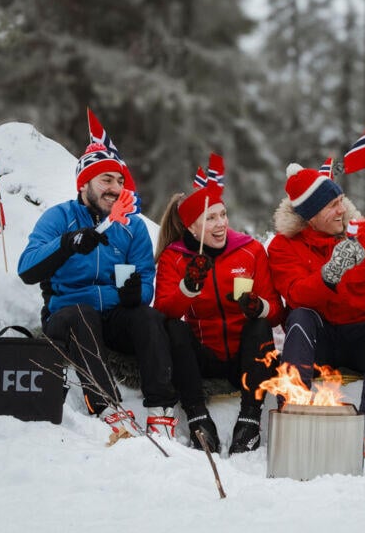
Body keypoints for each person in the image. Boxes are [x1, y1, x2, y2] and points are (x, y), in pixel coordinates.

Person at [17, 110, 191, 443]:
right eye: (106, 180)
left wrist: (132, 295)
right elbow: (27, 268)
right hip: (67, 317)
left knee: (147, 316)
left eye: (120, 181)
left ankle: (161, 409)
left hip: (112, 319)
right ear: (84, 183)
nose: (115, 188)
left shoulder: (132, 226)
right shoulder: (60, 217)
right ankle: (105, 403)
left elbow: (144, 280)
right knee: (81, 314)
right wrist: (68, 244)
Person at [267, 163, 365, 460]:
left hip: (361, 336)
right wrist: (329, 274)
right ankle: (292, 420)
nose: (341, 210)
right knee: (299, 316)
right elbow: (296, 293)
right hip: (318, 343)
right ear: (310, 217)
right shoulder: (283, 246)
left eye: (340, 201)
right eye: (331, 206)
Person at [154, 163, 285, 454]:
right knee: (175, 327)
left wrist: (258, 306)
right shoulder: (174, 258)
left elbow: (276, 311)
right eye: (210, 218)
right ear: (191, 226)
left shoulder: (250, 250)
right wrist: (188, 287)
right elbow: (163, 311)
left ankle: (250, 420)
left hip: (246, 357)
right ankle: (198, 417)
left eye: (223, 215)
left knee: (260, 324)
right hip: (204, 356)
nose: (221, 223)